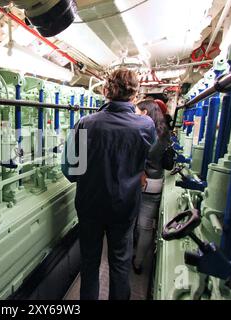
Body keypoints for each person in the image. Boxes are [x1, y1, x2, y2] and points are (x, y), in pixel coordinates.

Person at [62, 68, 156, 300]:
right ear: (135, 95)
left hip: (90, 206)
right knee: (120, 263)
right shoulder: (145, 125)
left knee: (90, 263)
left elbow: (71, 171)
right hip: (124, 207)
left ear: (105, 91)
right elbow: (148, 161)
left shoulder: (85, 124)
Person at [132, 99, 171, 274]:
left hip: (140, 182)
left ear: (145, 113)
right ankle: (138, 262)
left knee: (132, 220)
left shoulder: (143, 132)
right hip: (156, 183)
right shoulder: (165, 133)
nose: (134, 114)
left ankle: (129, 251)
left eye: (137, 111)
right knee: (146, 226)